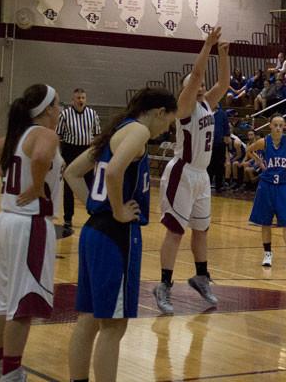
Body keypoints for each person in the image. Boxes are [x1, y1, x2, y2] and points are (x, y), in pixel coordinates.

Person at [65, 88, 177, 382]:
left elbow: (72, 173)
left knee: (88, 320)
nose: (166, 130)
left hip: (94, 232)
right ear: (159, 113)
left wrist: (94, 206)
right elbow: (114, 172)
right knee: (113, 326)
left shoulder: (116, 131)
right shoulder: (138, 131)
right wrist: (116, 210)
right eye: (168, 123)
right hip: (116, 235)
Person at [0, 83, 63, 382]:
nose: (61, 110)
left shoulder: (17, 135)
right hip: (30, 223)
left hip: (6, 221)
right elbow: (41, 158)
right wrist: (37, 184)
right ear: (49, 109)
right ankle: (12, 372)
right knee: (22, 304)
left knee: (2, 300)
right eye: (58, 104)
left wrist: (12, 178)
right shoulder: (45, 134)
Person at [154, 28, 230, 315]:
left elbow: (224, 82)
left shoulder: (206, 105)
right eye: (196, 84)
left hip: (201, 175)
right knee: (176, 232)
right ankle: (164, 285)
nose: (201, 86)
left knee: (202, 230)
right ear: (187, 88)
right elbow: (197, 75)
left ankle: (201, 276)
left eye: (200, 86)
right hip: (181, 173)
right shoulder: (184, 107)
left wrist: (223, 54)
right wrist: (207, 44)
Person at [247, 115, 286, 269]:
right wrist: (260, 162)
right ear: (270, 126)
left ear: (284, 127)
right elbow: (250, 150)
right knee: (265, 222)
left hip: (282, 186)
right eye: (275, 125)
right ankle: (267, 254)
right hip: (266, 185)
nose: (278, 128)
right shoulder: (264, 142)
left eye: (281, 125)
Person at [56, 88, 102, 237]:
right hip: (70, 150)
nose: (81, 100)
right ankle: (68, 218)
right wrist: (59, 156)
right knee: (69, 188)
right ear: (73, 100)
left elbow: (97, 135)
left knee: (90, 184)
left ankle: (93, 212)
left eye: (83, 97)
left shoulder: (92, 114)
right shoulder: (64, 115)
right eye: (78, 98)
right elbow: (58, 136)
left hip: (86, 151)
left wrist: (96, 154)